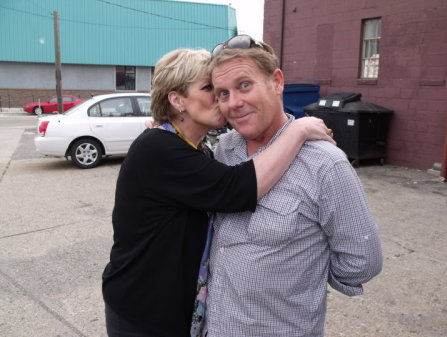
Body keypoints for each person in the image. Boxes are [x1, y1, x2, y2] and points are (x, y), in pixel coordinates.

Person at [102, 48, 334, 337]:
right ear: (176, 100)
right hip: (143, 314)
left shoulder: (193, 150)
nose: (220, 98)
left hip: (173, 311)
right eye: (209, 88)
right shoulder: (158, 149)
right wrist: (296, 131)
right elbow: (236, 189)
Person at [203, 35, 383, 337]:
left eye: (245, 85)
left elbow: (362, 261)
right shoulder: (222, 151)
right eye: (223, 93)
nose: (234, 103)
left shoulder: (325, 164)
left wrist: (303, 272)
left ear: (276, 82)